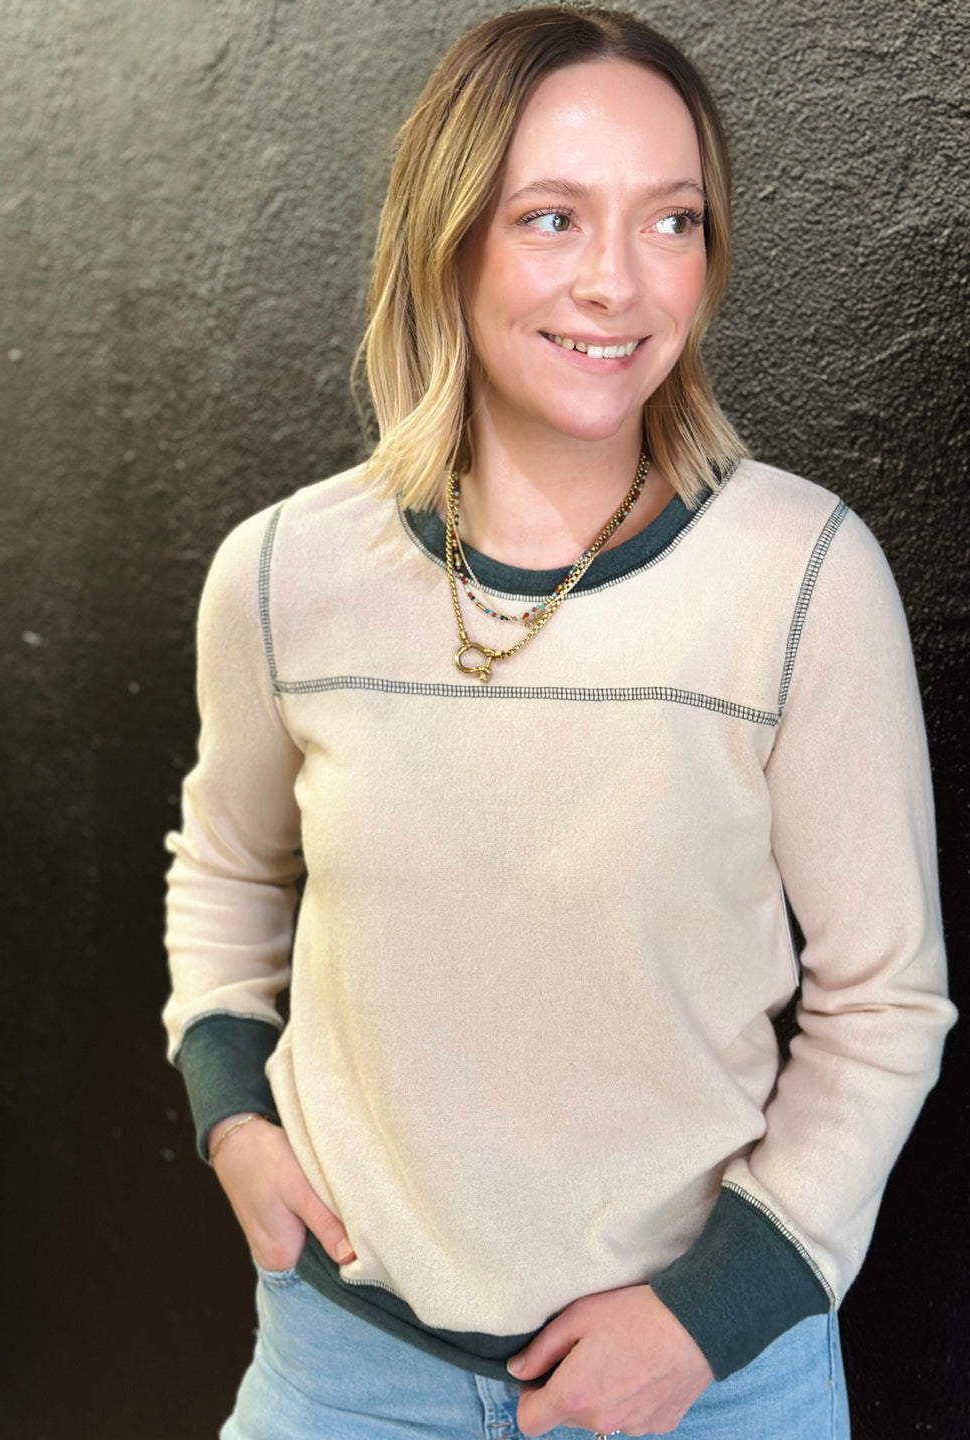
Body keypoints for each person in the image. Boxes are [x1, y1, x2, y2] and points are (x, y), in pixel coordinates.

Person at [162, 7, 956, 1437]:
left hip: (705, 1388)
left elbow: (886, 1002)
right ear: (446, 237)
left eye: (672, 221)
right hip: (345, 1369)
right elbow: (223, 866)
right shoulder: (284, 575)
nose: (617, 282)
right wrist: (231, 1106)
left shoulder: (803, 577)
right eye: (550, 217)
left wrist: (710, 1320)